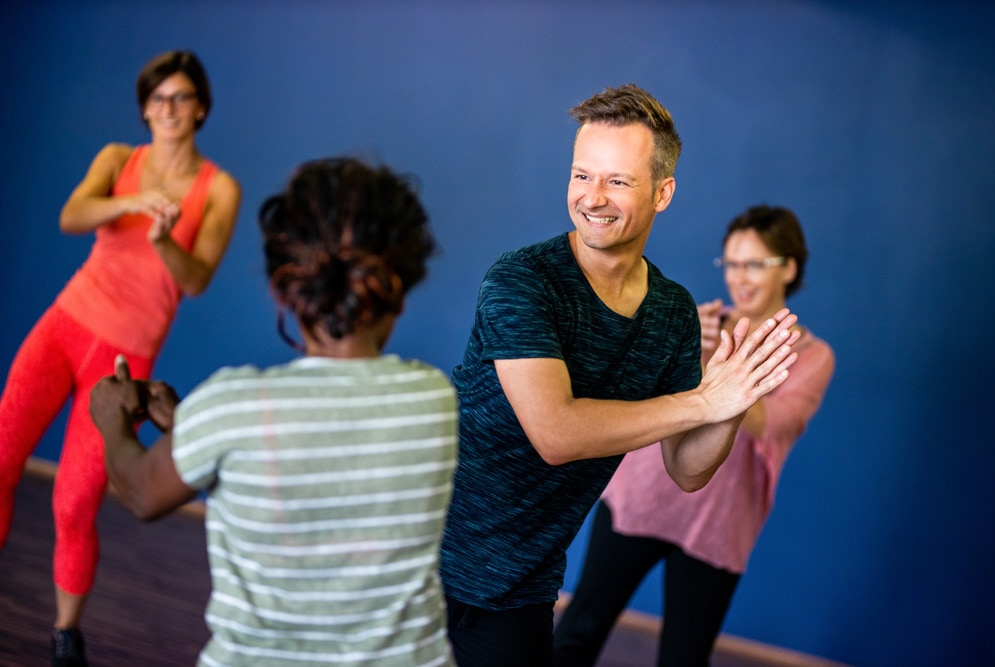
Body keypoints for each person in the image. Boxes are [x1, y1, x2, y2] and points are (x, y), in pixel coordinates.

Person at [438, 83, 802, 667]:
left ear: (663, 192)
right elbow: (555, 434)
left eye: (617, 180)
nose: (592, 197)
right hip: (425, 563)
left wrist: (734, 396)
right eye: (582, 175)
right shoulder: (521, 280)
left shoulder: (673, 312)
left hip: (521, 590)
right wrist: (705, 402)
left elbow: (687, 468)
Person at [88, 157, 458, 667]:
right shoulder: (432, 399)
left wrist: (113, 421)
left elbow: (142, 492)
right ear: (400, 289)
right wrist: (190, 428)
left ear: (285, 287)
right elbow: (331, 451)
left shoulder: (233, 406)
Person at [0, 50, 240, 666]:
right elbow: (72, 215)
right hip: (63, 326)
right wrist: (132, 204)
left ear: (201, 108)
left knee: (74, 503)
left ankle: (64, 635)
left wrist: (164, 240)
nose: (169, 109)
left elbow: (196, 280)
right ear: (144, 109)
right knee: (1, 457)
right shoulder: (117, 160)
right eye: (158, 99)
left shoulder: (219, 189)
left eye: (181, 98)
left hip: (121, 364)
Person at [552, 205, 836, 666]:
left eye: (754, 264)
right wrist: (689, 355)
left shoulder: (813, 355)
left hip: (720, 522)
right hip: (642, 495)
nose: (739, 278)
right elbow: (643, 398)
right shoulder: (696, 322)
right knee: (580, 628)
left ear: (788, 267)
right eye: (731, 264)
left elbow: (777, 425)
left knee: (685, 656)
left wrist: (716, 372)